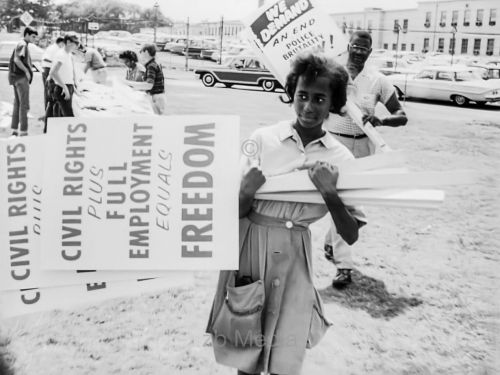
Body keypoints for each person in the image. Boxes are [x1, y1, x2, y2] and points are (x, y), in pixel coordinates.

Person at [206, 53, 366, 375]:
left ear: (333, 103)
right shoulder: (263, 140)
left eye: (319, 99)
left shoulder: (341, 158)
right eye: (302, 96)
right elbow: (231, 213)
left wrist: (330, 194)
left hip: (296, 260)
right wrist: (246, 193)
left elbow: (350, 234)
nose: (308, 106)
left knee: (286, 355)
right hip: (251, 252)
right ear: (292, 93)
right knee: (246, 350)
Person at [323, 30, 408, 288]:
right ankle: (344, 266)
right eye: (356, 47)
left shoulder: (378, 80)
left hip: (363, 147)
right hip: (334, 143)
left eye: (365, 48)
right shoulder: (333, 74)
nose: (359, 52)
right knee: (343, 203)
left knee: (349, 205)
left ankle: (331, 241)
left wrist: (381, 120)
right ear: (349, 46)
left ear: (370, 52)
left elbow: (401, 115)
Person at [8, 26, 38, 137]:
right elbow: (17, 59)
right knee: (23, 105)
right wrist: (27, 71)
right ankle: (24, 131)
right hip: (21, 78)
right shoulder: (23, 44)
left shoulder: (21, 44)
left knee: (17, 104)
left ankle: (14, 130)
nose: (34, 39)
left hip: (15, 78)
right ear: (27, 35)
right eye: (33, 36)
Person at [46, 33, 79, 124]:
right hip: (62, 88)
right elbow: (53, 72)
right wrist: (65, 87)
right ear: (68, 42)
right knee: (68, 116)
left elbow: (67, 72)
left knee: (61, 116)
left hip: (67, 86)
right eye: (75, 43)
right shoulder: (62, 54)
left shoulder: (68, 54)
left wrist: (73, 87)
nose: (77, 45)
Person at [125, 44, 166, 115]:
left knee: (154, 122)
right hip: (158, 98)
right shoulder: (154, 63)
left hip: (156, 98)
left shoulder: (151, 66)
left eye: (141, 52)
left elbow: (149, 85)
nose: (140, 55)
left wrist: (129, 83)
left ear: (146, 52)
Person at [41, 36, 64, 127]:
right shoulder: (54, 49)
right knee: (51, 94)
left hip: (47, 69)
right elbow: (46, 59)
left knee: (49, 94)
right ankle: (50, 115)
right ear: (61, 42)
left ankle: (49, 113)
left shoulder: (52, 47)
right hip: (48, 69)